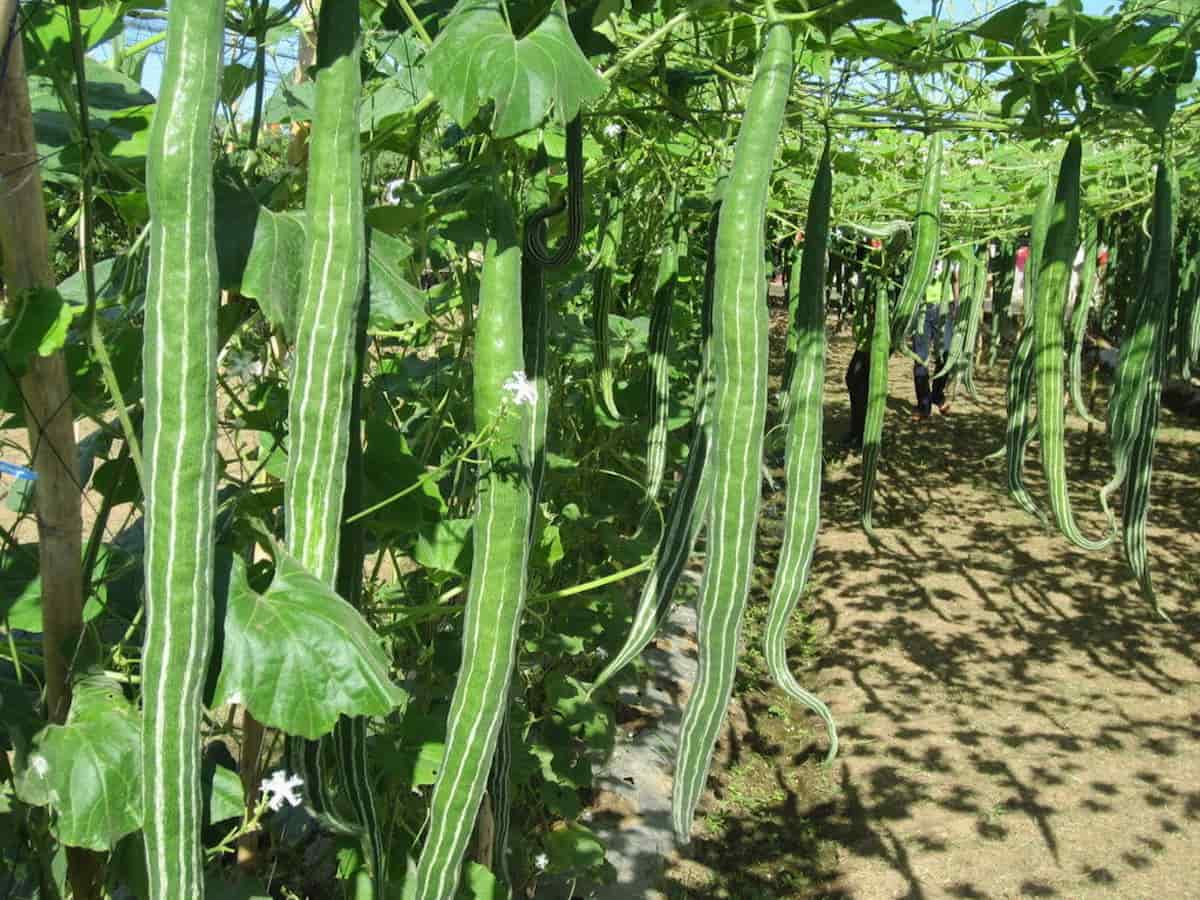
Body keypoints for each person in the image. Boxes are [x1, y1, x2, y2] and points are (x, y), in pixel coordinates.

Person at [911, 259, 956, 419]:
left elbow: (954, 277)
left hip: (944, 307)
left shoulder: (950, 248)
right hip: (921, 307)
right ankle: (924, 404)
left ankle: (937, 394)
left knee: (946, 355)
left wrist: (955, 305)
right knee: (920, 358)